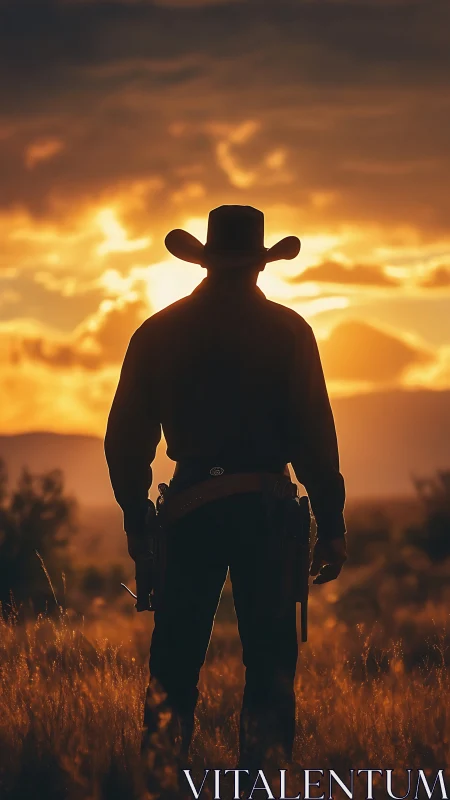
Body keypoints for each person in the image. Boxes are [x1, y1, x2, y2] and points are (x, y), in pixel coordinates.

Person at [104, 205, 347, 771]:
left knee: (173, 666)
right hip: (267, 516)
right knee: (270, 668)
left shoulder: (158, 330)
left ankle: (162, 780)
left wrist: (137, 518)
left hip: (188, 515)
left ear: (206, 262)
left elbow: (127, 439)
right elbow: (316, 437)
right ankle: (261, 783)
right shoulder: (290, 331)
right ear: (262, 266)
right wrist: (331, 528)